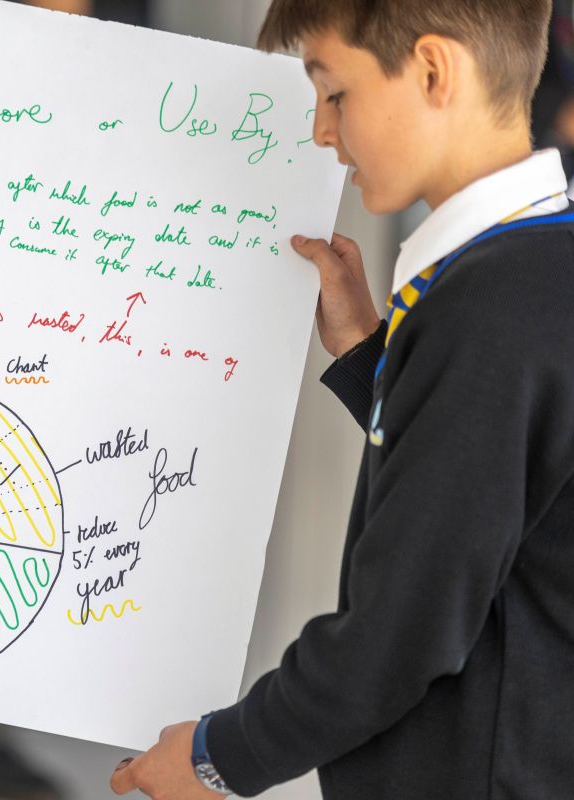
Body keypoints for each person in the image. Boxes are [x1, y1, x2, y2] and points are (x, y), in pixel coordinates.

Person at [110, 0, 574, 798]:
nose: (322, 132)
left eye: (335, 94)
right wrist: (371, 356)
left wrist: (221, 757)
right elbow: (488, 491)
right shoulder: (533, 270)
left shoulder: (487, 313)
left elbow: (397, 636)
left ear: (433, 71)